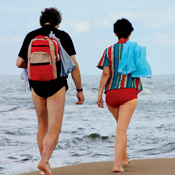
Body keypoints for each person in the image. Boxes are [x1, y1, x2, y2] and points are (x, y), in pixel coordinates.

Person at [16, 7, 84, 175]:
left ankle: (45, 165)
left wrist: (34, 68)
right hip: (56, 85)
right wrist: (79, 90)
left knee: (42, 125)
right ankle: (44, 161)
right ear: (58, 23)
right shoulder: (63, 36)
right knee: (54, 128)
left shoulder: (31, 35)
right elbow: (74, 67)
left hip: (36, 85)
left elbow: (19, 63)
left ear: (42, 21)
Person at [96, 18, 151, 172]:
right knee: (121, 129)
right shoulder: (135, 49)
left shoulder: (108, 50)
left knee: (121, 127)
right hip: (128, 92)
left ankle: (125, 158)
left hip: (111, 94)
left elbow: (105, 73)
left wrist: (99, 95)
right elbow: (141, 68)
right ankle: (117, 164)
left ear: (115, 33)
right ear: (130, 33)